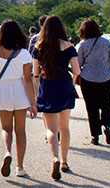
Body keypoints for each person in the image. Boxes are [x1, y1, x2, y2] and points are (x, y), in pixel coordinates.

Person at [31, 15, 80, 180]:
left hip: (47, 86)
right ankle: (65, 161)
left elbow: (36, 72)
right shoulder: (68, 46)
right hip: (64, 86)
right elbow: (77, 70)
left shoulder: (39, 47)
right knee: (64, 127)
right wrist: (72, 83)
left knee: (51, 129)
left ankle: (55, 157)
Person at [0, 20, 37, 178]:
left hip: (2, 90)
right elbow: (28, 79)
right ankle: (20, 167)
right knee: (20, 131)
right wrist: (33, 103)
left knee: (6, 129)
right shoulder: (23, 53)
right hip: (20, 90)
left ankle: (7, 152)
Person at [76, 18, 110, 146]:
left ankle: (95, 135)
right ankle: (106, 124)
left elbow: (78, 64)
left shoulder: (83, 45)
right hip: (105, 79)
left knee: (91, 107)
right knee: (107, 104)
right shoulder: (106, 43)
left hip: (88, 80)